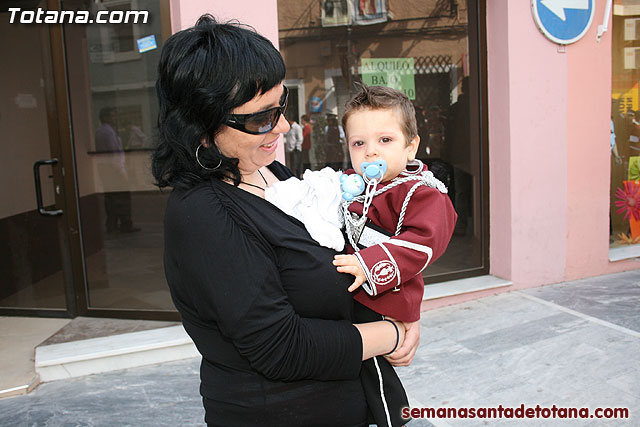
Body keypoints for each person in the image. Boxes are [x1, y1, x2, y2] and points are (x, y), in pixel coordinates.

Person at [152, 15, 419, 427]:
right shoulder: (201, 215)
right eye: (261, 118)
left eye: (282, 106)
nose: (284, 126)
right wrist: (394, 334)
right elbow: (281, 347)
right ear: (201, 127)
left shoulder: (272, 174)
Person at [266, 84, 457, 427]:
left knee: (372, 368)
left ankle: (391, 417)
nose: (371, 153)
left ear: (410, 145)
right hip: (352, 289)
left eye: (385, 140)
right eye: (359, 143)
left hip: (384, 295)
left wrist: (370, 264)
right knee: (350, 360)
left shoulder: (421, 192)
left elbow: (425, 241)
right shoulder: (355, 183)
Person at [94, 107, 140, 233]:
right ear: (105, 118)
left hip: (105, 167)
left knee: (111, 197)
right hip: (113, 168)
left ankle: (112, 224)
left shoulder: (99, 131)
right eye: (112, 116)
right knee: (122, 196)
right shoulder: (107, 132)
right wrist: (121, 170)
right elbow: (114, 153)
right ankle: (125, 223)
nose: (114, 119)